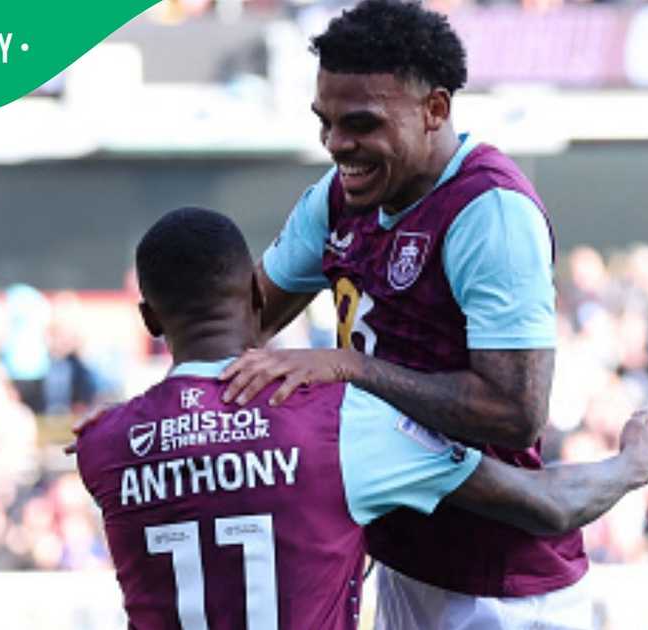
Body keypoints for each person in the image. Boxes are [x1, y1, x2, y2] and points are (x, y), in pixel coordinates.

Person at [73, 207, 648, 629]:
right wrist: (633, 464)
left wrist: (124, 427)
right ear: (256, 294)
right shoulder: (341, 422)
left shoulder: (103, 447)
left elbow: (176, 441)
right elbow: (548, 506)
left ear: (150, 320)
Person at [216, 1, 589, 626]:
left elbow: (515, 413)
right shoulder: (339, 198)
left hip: (500, 587)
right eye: (326, 122)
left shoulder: (489, 210)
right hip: (406, 561)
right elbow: (235, 327)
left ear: (435, 109)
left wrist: (353, 370)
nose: (337, 145)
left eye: (360, 123)